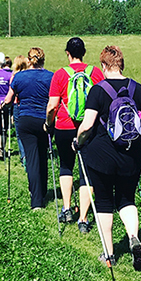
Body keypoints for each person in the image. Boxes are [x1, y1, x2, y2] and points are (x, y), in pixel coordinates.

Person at [75, 45, 141, 270]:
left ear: (103, 65)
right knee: (127, 200)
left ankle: (109, 254)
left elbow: (87, 125)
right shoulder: (138, 89)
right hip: (131, 155)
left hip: (102, 156)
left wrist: (78, 141)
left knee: (104, 202)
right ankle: (133, 237)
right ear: (122, 64)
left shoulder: (97, 90)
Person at [47, 37, 104, 232]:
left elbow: (53, 105)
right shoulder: (95, 73)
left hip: (64, 126)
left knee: (66, 166)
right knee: (86, 171)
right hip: (88, 128)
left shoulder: (60, 74)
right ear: (84, 53)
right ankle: (83, 219)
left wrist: (49, 124)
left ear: (67, 53)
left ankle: (66, 208)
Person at [2, 48, 53, 210]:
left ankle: (36, 200)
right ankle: (43, 191)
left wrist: (3, 105)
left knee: (32, 158)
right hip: (44, 120)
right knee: (43, 155)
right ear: (43, 60)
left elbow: (9, 99)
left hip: (26, 120)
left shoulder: (19, 77)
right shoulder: (50, 76)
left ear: (28, 60)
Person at [9, 55, 29, 165]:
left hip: (17, 104)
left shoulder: (14, 77)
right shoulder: (28, 75)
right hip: (28, 104)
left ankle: (24, 155)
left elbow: (11, 94)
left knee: (19, 133)